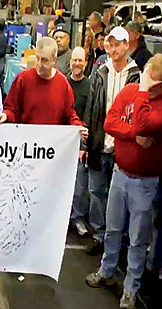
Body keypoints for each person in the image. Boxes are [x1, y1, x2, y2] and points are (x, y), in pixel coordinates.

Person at [86, 54, 162, 309]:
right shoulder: (128, 92)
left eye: (150, 79)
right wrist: (134, 135)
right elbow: (110, 123)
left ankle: (131, 287)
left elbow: (144, 122)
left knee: (138, 239)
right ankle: (107, 271)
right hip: (120, 173)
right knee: (113, 229)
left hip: (145, 181)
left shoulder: (157, 103)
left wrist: (143, 91)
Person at [82, 27, 140, 256]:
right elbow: (91, 106)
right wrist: (86, 141)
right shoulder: (100, 72)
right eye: (110, 45)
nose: (113, 49)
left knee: (121, 201)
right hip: (100, 143)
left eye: (118, 44)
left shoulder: (136, 75)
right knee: (96, 192)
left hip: (123, 149)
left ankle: (120, 242)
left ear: (127, 45)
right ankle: (99, 235)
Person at [0, 37, 87, 145]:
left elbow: (69, 115)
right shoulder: (23, 79)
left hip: (50, 150)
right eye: (37, 58)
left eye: (44, 60)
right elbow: (11, 108)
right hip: (25, 147)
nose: (39, 64)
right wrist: (6, 115)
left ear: (54, 60)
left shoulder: (63, 84)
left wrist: (78, 128)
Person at [67, 47, 91, 237]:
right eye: (74, 60)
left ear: (85, 62)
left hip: (79, 146)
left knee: (79, 187)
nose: (76, 64)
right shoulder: (63, 84)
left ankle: (78, 218)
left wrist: (84, 146)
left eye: (80, 61)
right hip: (62, 145)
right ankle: (63, 218)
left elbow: (89, 116)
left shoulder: (89, 86)